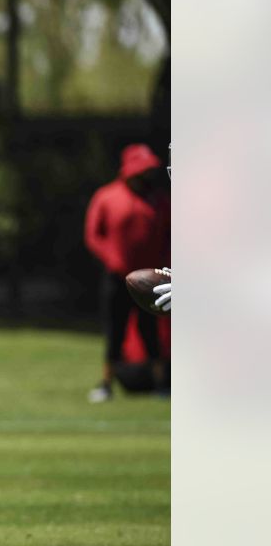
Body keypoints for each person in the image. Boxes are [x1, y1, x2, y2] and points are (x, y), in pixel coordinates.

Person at [83, 143, 170, 402]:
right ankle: (106, 383)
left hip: (152, 278)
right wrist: (114, 260)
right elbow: (93, 235)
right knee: (115, 332)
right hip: (118, 277)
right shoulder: (107, 196)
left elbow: (169, 236)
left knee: (151, 332)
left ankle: (161, 383)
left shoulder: (159, 200)